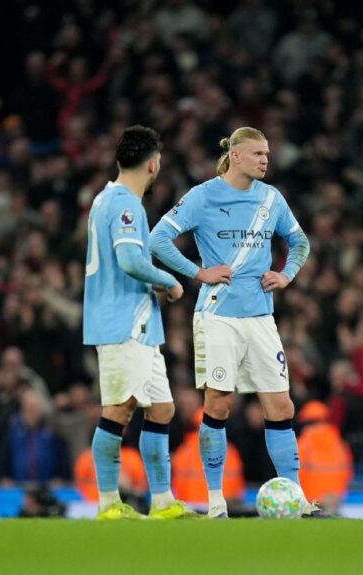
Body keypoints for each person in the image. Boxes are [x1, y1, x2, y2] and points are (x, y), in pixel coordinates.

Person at [150, 126, 312, 519]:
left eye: (267, 154)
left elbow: (300, 242)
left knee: (281, 404)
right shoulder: (203, 196)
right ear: (236, 155)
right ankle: (216, 499)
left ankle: (297, 496)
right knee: (218, 404)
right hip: (218, 316)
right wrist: (197, 272)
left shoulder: (271, 199)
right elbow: (158, 239)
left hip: (260, 316)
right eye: (258, 154)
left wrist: (286, 274)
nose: (265, 160)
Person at [82, 125, 195, 520]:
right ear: (153, 163)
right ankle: (109, 503)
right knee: (119, 409)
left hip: (141, 325)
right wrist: (169, 280)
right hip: (122, 323)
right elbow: (130, 262)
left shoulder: (105, 200)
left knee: (161, 408)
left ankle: (162, 502)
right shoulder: (125, 205)